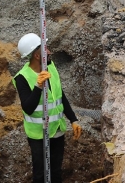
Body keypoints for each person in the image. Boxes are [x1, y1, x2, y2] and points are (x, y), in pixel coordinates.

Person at [13, 33, 82, 183]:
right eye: (46, 49)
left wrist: (73, 119)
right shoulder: (22, 77)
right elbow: (28, 108)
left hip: (56, 129)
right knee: (40, 174)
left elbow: (60, 96)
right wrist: (38, 86)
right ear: (38, 56)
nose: (49, 52)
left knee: (56, 171)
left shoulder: (51, 67)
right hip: (38, 134)